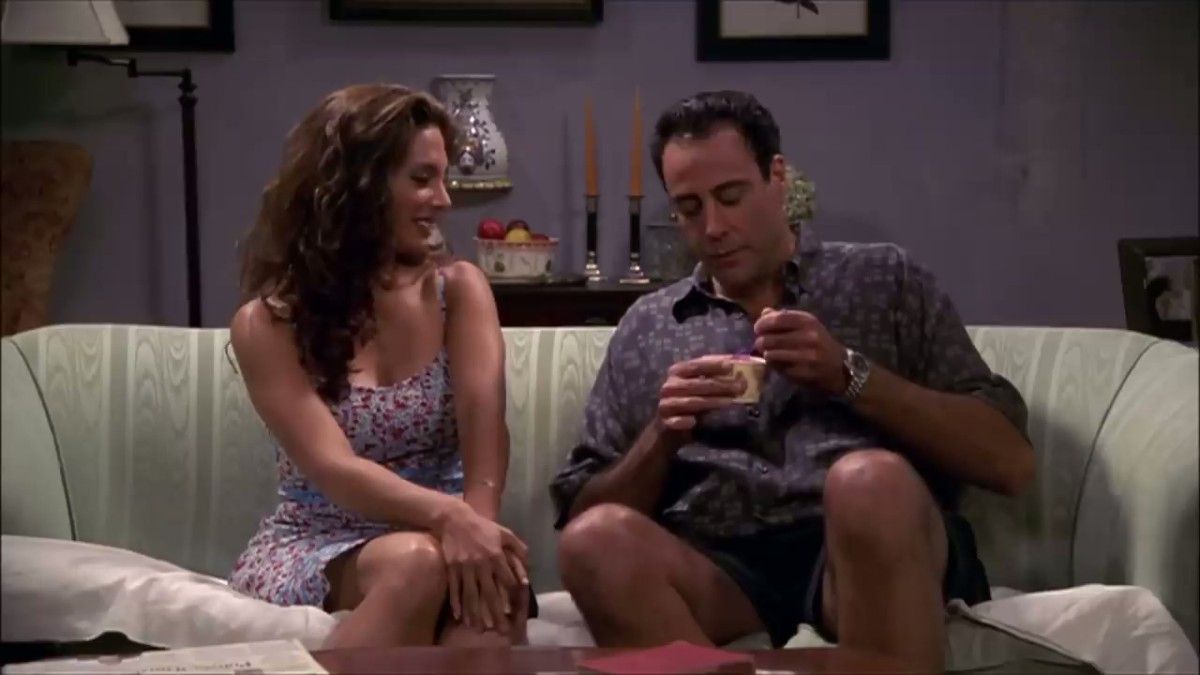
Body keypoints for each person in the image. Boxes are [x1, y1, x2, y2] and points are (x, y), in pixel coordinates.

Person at [550, 90, 1034, 671]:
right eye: (689, 208)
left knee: (867, 480)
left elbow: (1009, 462)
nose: (714, 227)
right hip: (718, 564)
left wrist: (848, 375)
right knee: (594, 540)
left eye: (731, 197)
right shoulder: (649, 325)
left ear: (777, 177)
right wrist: (662, 435)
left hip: (861, 548)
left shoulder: (884, 279)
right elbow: (582, 511)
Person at [227, 83, 534, 649]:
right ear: (358, 186)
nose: (444, 199)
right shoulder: (267, 324)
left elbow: (486, 429)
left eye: (443, 179)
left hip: (454, 527)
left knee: (495, 590)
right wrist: (447, 518)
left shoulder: (459, 291)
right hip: (324, 537)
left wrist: (478, 529)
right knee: (417, 563)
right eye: (421, 179)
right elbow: (333, 468)